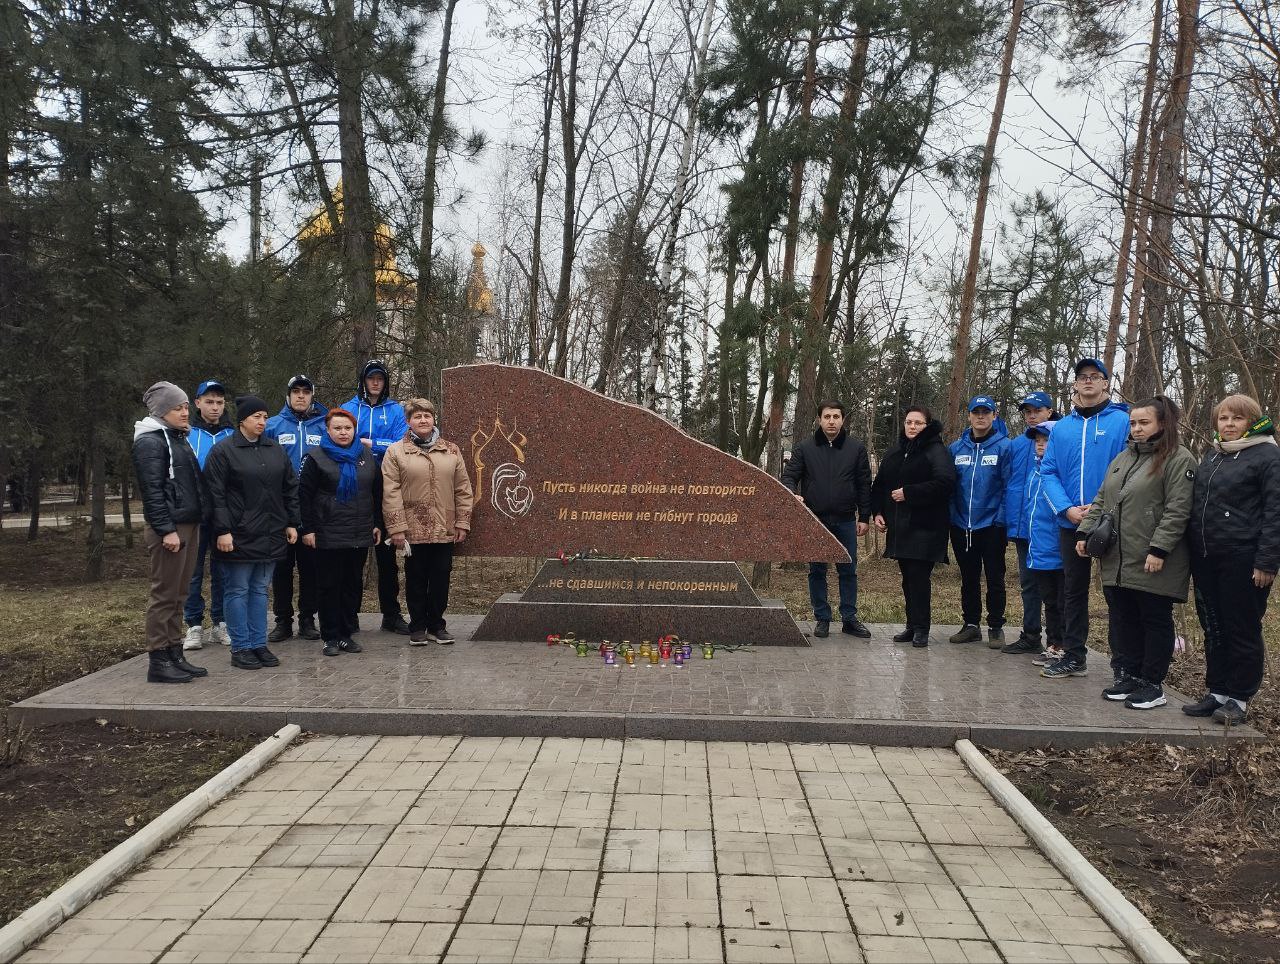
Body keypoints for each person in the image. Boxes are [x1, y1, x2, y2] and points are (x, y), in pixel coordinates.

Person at [1073, 396, 1195, 709]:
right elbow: (1102, 500)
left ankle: (1152, 683)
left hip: (1154, 559)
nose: (1137, 429)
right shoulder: (1122, 459)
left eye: (1144, 422)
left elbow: (1177, 510)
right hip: (1117, 558)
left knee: (1154, 619)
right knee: (1124, 617)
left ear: (1163, 424)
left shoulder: (1179, 459)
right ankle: (1129, 675)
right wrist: (1085, 532)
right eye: (1133, 423)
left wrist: (1159, 549)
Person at [1186, 395, 1280, 726]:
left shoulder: (1267, 455)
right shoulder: (1213, 455)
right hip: (1208, 557)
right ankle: (1218, 691)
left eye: (1236, 419)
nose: (1228, 424)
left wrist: (1267, 561)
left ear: (1251, 422)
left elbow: (1275, 512)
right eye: (1223, 418)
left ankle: (1239, 698)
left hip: (1244, 558)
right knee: (1214, 626)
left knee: (1241, 628)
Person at [1038, 359, 1130, 679]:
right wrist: (1066, 509)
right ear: (1075, 384)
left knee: (1116, 593)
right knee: (1072, 591)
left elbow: (1132, 469)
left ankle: (1123, 664)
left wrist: (1104, 508)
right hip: (1070, 521)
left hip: (1111, 522)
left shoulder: (1123, 422)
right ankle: (1074, 654)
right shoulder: (1062, 427)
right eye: (1082, 377)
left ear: (1106, 383)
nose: (1088, 381)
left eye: (1095, 377)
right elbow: (1048, 473)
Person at [205, 395, 300, 671]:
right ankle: (241, 647)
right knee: (237, 589)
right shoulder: (223, 451)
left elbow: (289, 487)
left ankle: (259, 644)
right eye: (256, 416)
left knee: (260, 590)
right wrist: (222, 530)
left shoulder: (274, 449)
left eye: (264, 416)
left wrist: (291, 522)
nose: (262, 421)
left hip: (271, 532)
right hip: (237, 534)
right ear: (242, 420)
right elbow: (215, 495)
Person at [131, 381, 210, 683]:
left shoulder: (179, 438)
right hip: (171, 528)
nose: (185, 412)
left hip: (188, 523)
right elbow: (152, 492)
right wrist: (166, 530)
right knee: (164, 594)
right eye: (178, 407)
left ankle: (174, 652)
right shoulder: (150, 442)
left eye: (187, 406)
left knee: (180, 592)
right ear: (162, 410)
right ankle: (158, 659)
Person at [382, 398, 473, 645]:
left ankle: (437, 625)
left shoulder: (451, 450)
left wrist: (462, 522)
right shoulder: (395, 452)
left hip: (445, 526)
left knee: (441, 578)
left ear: (434, 419)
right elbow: (391, 492)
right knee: (416, 579)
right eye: (417, 417)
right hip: (413, 529)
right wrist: (397, 528)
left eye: (427, 416)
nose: (423, 420)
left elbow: (463, 488)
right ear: (408, 422)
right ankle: (418, 626)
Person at [782, 400, 873, 639]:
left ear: (843, 420)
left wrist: (864, 517)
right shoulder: (805, 448)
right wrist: (793, 493)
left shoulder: (856, 449)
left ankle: (849, 618)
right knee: (817, 571)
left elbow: (864, 485)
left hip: (845, 520)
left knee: (848, 570)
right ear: (819, 420)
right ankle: (822, 617)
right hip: (815, 520)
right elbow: (789, 476)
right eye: (827, 417)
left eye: (836, 417)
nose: (831, 421)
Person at [299, 409, 383, 656]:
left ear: (354, 430)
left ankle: (347, 634)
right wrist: (308, 529)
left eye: (347, 428)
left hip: (359, 532)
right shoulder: (315, 458)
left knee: (352, 585)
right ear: (328, 430)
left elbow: (376, 493)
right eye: (337, 428)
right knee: (329, 586)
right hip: (327, 532)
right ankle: (330, 637)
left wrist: (377, 522)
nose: (343, 432)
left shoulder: (366, 456)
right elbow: (304, 496)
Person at [871, 406, 955, 648]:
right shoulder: (896, 450)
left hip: (926, 527)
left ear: (927, 426)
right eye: (909, 422)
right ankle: (911, 625)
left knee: (919, 578)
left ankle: (922, 629)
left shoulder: (936, 450)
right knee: (907, 579)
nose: (912, 427)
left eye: (918, 423)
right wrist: (878, 512)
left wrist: (909, 493)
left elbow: (945, 483)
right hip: (900, 528)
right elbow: (880, 485)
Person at [342, 360, 410, 634]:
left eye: (380, 378)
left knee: (386, 557)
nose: (375, 383)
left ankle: (391, 614)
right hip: (355, 482)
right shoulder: (349, 408)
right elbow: (340, 437)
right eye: (371, 378)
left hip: (386, 481)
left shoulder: (395, 410)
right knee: (354, 557)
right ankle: (351, 614)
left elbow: (400, 442)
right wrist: (360, 445)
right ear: (363, 380)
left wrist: (371, 443)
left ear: (385, 382)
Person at [265, 375, 328, 643]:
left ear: (312, 395)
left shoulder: (323, 427)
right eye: (296, 391)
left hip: (312, 510)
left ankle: (307, 619)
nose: (301, 396)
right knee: (281, 568)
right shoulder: (272, 426)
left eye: (306, 391)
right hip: (279, 509)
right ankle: (282, 621)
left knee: (311, 568)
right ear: (288, 395)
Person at [947, 395, 1012, 647]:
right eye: (976, 412)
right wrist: (953, 517)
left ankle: (996, 625)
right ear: (969, 416)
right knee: (968, 577)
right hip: (962, 525)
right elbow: (950, 487)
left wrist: (1001, 519)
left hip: (992, 525)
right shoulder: (956, 448)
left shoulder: (1004, 447)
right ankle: (971, 624)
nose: (981, 416)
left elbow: (1009, 486)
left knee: (995, 577)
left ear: (994, 416)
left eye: (986, 412)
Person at [1001, 390, 1058, 655]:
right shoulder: (1016, 444)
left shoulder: (1059, 438)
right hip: (1023, 526)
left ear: (1049, 411)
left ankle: (1058, 640)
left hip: (1051, 528)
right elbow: (1008, 483)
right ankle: (1031, 633)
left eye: (1037, 410)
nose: (1032, 416)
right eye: (1027, 412)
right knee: (1028, 584)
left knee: (1055, 587)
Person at [183, 379, 235, 651]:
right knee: (193, 571)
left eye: (219, 402)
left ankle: (220, 623)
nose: (215, 407)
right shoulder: (186, 434)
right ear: (198, 403)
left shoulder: (232, 435)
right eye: (209, 402)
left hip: (224, 515)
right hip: (195, 515)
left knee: (223, 571)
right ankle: (193, 625)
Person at [1019, 421, 1065, 661]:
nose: (1040, 443)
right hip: (1038, 549)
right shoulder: (1035, 471)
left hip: (1059, 549)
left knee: (1062, 601)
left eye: (1045, 440)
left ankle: (1067, 647)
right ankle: (1054, 645)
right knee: (1049, 600)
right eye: (1037, 440)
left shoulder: (1061, 473)